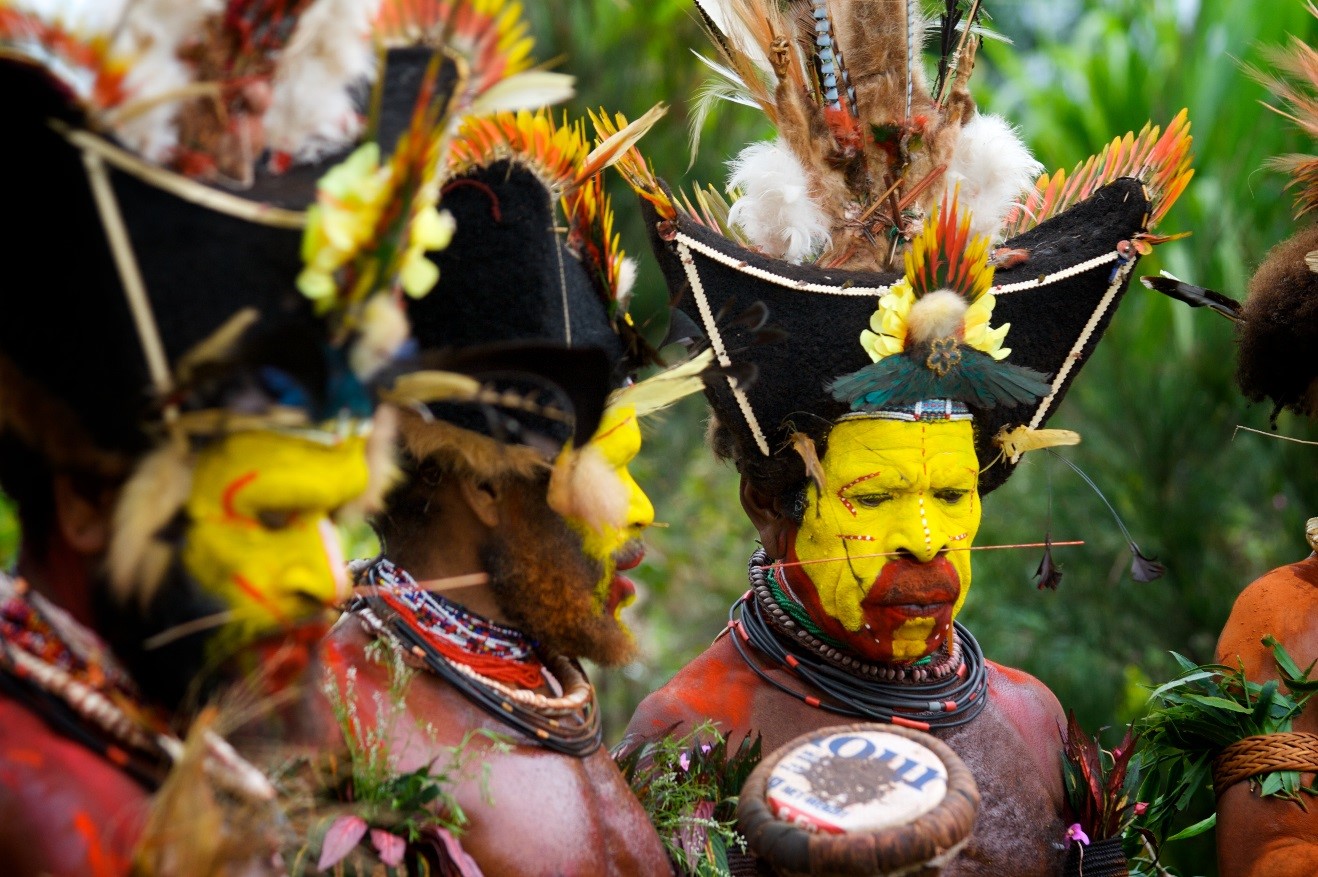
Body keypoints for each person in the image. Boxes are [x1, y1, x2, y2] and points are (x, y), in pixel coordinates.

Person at [617, 2, 1192, 872]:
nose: (925, 539)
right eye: (877, 496)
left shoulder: (1036, 723)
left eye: (952, 495)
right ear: (772, 506)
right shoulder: (694, 733)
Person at [0, 1, 472, 871]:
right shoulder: (47, 812)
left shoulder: (138, 747)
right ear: (89, 500)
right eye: (274, 519)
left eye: (338, 519)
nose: (332, 582)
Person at [285, 112, 694, 874]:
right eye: (608, 469)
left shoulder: (549, 686)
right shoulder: (335, 715)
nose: (641, 509)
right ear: (483, 482)